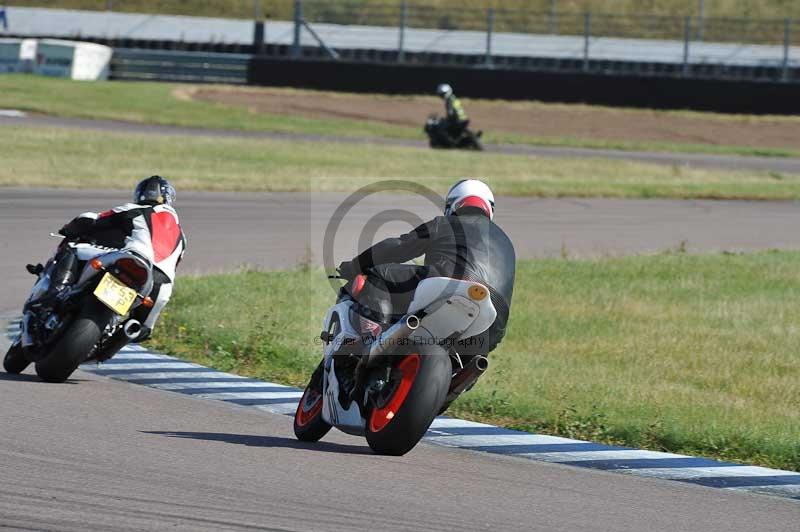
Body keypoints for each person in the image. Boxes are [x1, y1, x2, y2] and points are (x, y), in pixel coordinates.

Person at [338, 179, 515, 359]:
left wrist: (354, 266)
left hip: (448, 283)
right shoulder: (507, 243)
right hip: (493, 321)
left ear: (452, 204)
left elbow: (398, 247)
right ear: (489, 209)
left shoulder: (446, 223)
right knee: (471, 361)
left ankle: (372, 341)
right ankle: (459, 378)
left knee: (377, 276)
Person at [31, 176, 186, 352]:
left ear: (140, 194)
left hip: (133, 258)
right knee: (140, 329)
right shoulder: (182, 237)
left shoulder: (136, 209)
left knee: (73, 248)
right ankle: (108, 346)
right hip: (160, 285)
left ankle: (57, 291)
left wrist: (69, 229)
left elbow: (92, 220)